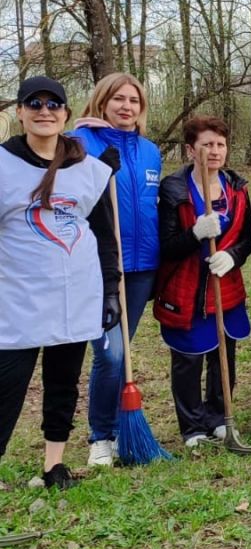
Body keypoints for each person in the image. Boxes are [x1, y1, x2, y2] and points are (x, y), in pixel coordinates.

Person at [0, 76, 120, 489]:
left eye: (54, 104)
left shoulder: (88, 169)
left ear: (66, 114)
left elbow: (105, 235)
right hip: (17, 299)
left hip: (76, 295)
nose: (44, 111)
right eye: (34, 103)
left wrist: (109, 290)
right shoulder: (3, 165)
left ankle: (54, 465)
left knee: (63, 382)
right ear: (20, 112)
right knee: (7, 385)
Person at [69, 72, 162, 467]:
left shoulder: (150, 151)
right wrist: (79, 133)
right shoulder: (82, 143)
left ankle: (124, 432)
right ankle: (100, 437)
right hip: (102, 266)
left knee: (122, 349)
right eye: (118, 99)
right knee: (109, 354)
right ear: (102, 102)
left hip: (143, 267)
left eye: (134, 101)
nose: (127, 106)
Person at [155, 117, 251, 448]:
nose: (214, 151)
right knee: (188, 358)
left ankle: (219, 417)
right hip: (188, 288)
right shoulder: (175, 190)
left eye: (220, 145)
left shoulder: (236, 188)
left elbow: (248, 237)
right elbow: (167, 247)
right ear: (190, 150)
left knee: (224, 354)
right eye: (207, 145)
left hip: (224, 286)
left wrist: (233, 257)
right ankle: (192, 427)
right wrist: (195, 234)